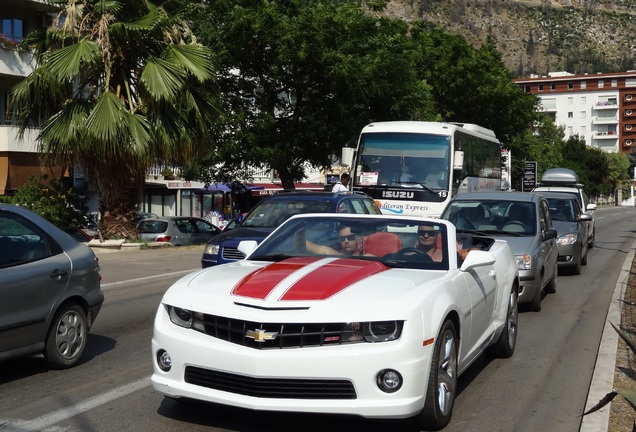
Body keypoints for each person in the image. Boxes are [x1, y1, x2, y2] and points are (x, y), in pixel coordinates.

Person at [300, 223, 374, 256]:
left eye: (350, 237)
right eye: (342, 238)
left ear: (358, 238)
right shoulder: (335, 255)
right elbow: (303, 243)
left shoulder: (368, 258)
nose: (346, 241)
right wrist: (298, 231)